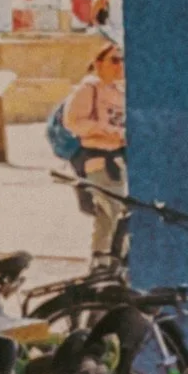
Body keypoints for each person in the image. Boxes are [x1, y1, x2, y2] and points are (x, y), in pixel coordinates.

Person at [56, 41, 128, 265]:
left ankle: (103, 264)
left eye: (122, 60)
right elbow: (72, 122)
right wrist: (108, 131)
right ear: (98, 63)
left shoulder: (118, 90)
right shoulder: (89, 88)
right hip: (97, 159)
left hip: (117, 159)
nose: (119, 66)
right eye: (114, 60)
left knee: (107, 219)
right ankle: (107, 262)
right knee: (114, 212)